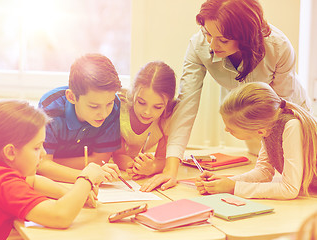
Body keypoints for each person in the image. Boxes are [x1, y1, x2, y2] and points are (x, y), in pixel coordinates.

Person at [144, 0, 311, 192]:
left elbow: (280, 108)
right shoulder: (199, 46)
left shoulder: (278, 46)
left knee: (298, 181)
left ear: (245, 37)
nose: (213, 46)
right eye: (208, 34)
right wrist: (170, 169)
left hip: (287, 112)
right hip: (256, 118)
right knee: (264, 169)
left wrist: (233, 187)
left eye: (223, 40)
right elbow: (186, 106)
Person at [0, 100, 120, 240]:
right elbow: (60, 216)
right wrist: (86, 178)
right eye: (37, 147)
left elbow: (33, 181)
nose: (43, 153)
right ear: (10, 152)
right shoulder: (4, 182)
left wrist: (72, 194)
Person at [195, 82, 317, 199]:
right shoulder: (268, 125)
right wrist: (223, 182)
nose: (226, 130)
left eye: (231, 129)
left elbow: (289, 189)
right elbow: (263, 172)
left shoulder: (291, 126)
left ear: (259, 131)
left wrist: (233, 188)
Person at [37, 53, 122, 183]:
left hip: (69, 179)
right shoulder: (50, 107)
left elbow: (100, 160)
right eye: (94, 106)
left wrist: (53, 164)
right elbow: (41, 165)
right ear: (71, 97)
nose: (104, 113)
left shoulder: (114, 105)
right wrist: (87, 176)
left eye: (109, 103)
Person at [112, 61, 177, 189]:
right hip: (113, 164)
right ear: (134, 92)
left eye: (157, 107)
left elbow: (163, 159)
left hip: (142, 163)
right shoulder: (120, 108)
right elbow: (117, 154)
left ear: (167, 103)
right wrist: (131, 166)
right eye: (141, 103)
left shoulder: (167, 118)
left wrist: (151, 168)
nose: (147, 112)